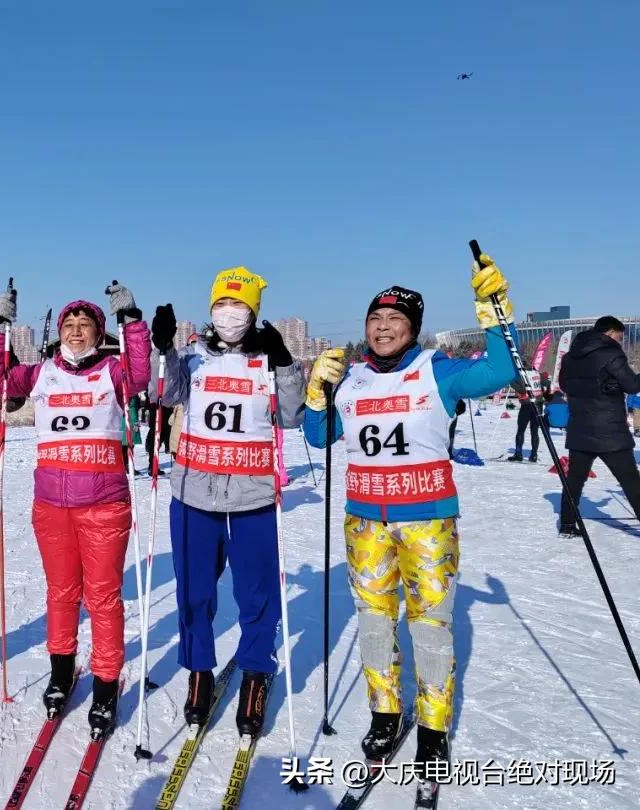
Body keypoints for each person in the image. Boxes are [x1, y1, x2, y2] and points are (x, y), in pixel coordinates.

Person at [304, 256, 519, 782]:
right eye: (375, 318)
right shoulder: (350, 380)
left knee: (430, 628)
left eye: (395, 319)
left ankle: (433, 728)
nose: (383, 326)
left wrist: (495, 311)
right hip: (366, 524)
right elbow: (317, 436)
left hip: (427, 523)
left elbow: (502, 370)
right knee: (375, 625)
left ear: (413, 329)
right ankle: (385, 712)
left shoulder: (436, 371)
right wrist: (316, 394)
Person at [0, 284, 150, 735]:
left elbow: (142, 372)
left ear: (97, 332)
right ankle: (60, 672)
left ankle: (106, 685)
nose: (76, 333)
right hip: (52, 505)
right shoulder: (40, 374)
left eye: (84, 326)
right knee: (60, 593)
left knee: (104, 597)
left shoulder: (114, 372)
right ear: (60, 334)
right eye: (69, 326)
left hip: (105, 504)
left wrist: (130, 317)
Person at [155, 266, 306, 738]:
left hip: (253, 497)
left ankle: (257, 671)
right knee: (195, 590)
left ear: (254, 312)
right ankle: (199, 669)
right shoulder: (194, 356)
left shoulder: (267, 359)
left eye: (238, 306)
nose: (229, 314)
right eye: (221, 305)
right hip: (193, 493)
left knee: (256, 594)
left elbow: (292, 415)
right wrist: (163, 349)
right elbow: (163, 393)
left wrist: (285, 364)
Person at [557, 315, 640, 536]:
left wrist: (602, 385)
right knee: (631, 481)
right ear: (610, 332)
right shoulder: (611, 353)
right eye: (620, 336)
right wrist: (608, 385)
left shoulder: (571, 356)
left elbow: (565, 385)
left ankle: (566, 524)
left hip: (580, 428)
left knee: (574, 480)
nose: (620, 341)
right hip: (609, 431)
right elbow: (632, 385)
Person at [508, 370, 550, 462]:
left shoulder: (520, 374)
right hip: (538, 404)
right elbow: (548, 383)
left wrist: (511, 383)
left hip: (527, 404)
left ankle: (518, 454)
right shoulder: (536, 373)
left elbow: (522, 389)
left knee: (521, 430)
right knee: (534, 431)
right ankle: (534, 455)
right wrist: (547, 395)